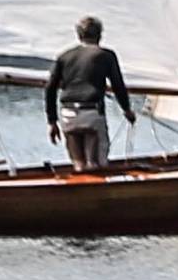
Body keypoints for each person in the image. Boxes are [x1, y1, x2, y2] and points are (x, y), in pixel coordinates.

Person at [44, 15, 135, 171]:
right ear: (99, 35)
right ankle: (97, 193)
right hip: (91, 113)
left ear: (79, 35)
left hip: (68, 114)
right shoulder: (106, 55)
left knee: (78, 165)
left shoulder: (64, 56)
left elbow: (50, 88)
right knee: (96, 165)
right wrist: (127, 110)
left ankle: (79, 192)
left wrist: (52, 122)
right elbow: (118, 85)